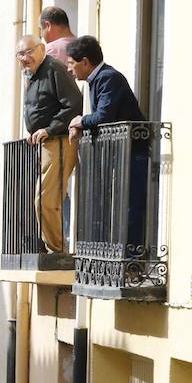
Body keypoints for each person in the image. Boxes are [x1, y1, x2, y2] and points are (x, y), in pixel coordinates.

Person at [64, 35, 148, 251]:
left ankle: (132, 259)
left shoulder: (108, 77)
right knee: (119, 206)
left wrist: (80, 121)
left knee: (131, 207)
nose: (69, 69)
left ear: (85, 61)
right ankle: (122, 255)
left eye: (71, 63)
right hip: (121, 151)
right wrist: (81, 125)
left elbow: (104, 116)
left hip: (133, 150)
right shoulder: (98, 79)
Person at [17, 34, 83, 254]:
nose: (24, 58)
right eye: (20, 54)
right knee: (47, 200)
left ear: (42, 49)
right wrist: (35, 131)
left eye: (28, 52)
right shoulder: (33, 75)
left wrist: (49, 129)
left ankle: (58, 251)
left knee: (45, 200)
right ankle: (57, 248)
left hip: (60, 142)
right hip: (47, 144)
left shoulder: (54, 69)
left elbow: (73, 105)